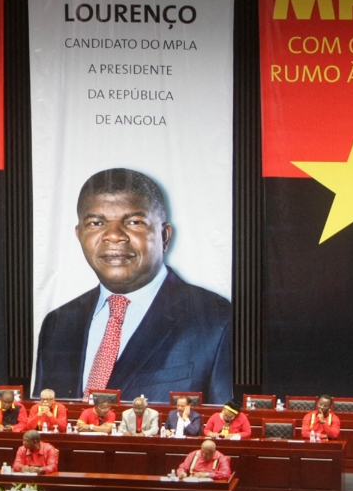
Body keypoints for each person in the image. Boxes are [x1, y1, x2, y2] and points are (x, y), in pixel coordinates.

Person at [34, 169, 232, 403]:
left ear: (165, 236)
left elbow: (228, 429)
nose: (114, 236)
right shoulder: (58, 324)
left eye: (134, 222)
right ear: (79, 236)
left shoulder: (217, 320)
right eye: (96, 223)